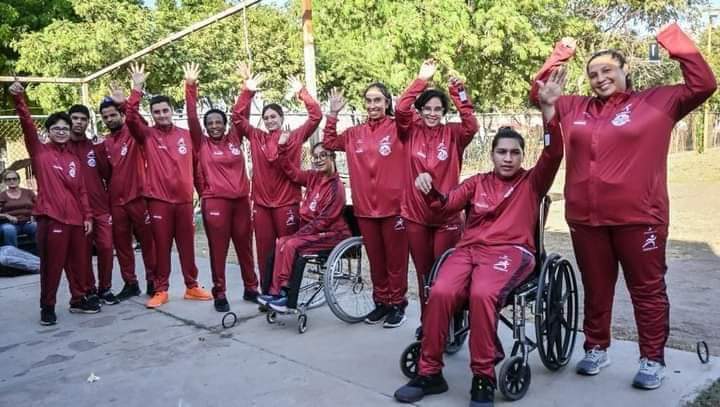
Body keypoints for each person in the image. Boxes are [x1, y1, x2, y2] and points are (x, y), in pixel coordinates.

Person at [529, 23, 716, 390]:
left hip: (640, 218)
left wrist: (671, 38)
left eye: (608, 70)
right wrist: (559, 55)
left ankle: (652, 358)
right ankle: (596, 348)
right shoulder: (575, 107)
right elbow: (540, 93)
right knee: (596, 288)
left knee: (647, 291)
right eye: (593, 74)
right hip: (586, 219)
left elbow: (704, 84)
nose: (600, 78)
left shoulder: (657, 102)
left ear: (625, 70)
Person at [394, 71, 566, 405]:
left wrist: (549, 110)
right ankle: (429, 373)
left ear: (522, 156)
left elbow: (554, 152)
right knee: (440, 291)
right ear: (492, 154)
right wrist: (430, 192)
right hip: (469, 250)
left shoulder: (532, 182)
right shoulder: (477, 183)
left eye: (514, 153)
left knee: (482, 293)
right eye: (501, 152)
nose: (507, 158)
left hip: (511, 252)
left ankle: (483, 378)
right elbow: (447, 205)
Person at [395, 59, 479, 322]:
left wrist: (458, 92)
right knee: (424, 275)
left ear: (443, 111)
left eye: (438, 109)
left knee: (444, 275)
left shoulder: (453, 134)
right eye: (427, 109)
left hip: (446, 217)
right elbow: (400, 108)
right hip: (416, 217)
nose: (432, 113)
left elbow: (472, 125)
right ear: (420, 110)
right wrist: (422, 80)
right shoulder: (409, 131)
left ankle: (451, 321)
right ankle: (427, 322)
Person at [9, 80, 98, 325]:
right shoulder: (40, 152)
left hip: (76, 221)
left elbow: (81, 191)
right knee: (52, 267)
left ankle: (78, 299)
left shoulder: (73, 158)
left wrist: (87, 217)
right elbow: (27, 124)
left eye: (65, 128)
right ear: (48, 131)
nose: (61, 132)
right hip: (52, 219)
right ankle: (47, 306)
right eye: (56, 128)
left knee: (78, 264)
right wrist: (19, 99)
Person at [124, 63, 212, 308]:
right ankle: (161, 289)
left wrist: (203, 194)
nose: (162, 115)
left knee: (187, 247)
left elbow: (196, 168)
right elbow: (130, 118)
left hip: (184, 202)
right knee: (161, 248)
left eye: (165, 110)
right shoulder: (147, 135)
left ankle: (192, 286)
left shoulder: (186, 135)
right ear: (152, 114)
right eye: (157, 112)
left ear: (172, 111)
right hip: (158, 202)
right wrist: (136, 89)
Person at [322, 84, 410, 328]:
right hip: (364, 209)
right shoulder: (354, 134)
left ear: (387, 103)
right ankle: (381, 302)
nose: (373, 105)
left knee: (395, 261)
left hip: (394, 209)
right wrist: (333, 113)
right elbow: (329, 141)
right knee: (376, 260)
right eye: (369, 100)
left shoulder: (398, 129)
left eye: (377, 100)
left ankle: (397, 304)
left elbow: (409, 117)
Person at [231, 69, 322, 293]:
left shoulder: (294, 136)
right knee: (265, 250)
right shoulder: (257, 136)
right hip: (262, 205)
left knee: (287, 248)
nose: (270, 120)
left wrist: (302, 92)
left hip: (287, 204)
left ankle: (285, 291)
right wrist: (247, 91)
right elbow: (237, 118)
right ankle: (267, 292)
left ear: (281, 118)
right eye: (267, 118)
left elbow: (316, 116)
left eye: (274, 117)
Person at [183, 62, 260, 312]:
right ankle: (220, 292)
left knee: (245, 247)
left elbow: (242, 114)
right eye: (211, 123)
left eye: (219, 122)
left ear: (225, 124)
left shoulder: (235, 137)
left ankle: (251, 288)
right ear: (206, 127)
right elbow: (192, 117)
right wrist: (190, 87)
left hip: (241, 201)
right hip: (215, 202)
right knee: (218, 249)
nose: (215, 125)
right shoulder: (201, 143)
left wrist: (247, 89)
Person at [258, 137, 351, 313]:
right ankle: (274, 292)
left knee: (291, 244)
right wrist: (281, 148)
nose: (319, 159)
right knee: (281, 242)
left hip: (333, 234)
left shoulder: (336, 187)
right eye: (316, 156)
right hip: (313, 232)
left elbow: (325, 221)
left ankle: (286, 294)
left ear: (333, 158)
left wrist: (298, 235)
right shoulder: (313, 177)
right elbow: (290, 171)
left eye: (323, 155)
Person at [101, 87, 158, 301]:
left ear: (121, 114)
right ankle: (130, 283)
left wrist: (128, 99)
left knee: (148, 242)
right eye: (105, 117)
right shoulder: (105, 142)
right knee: (122, 245)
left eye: (113, 115)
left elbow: (138, 120)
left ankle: (153, 281)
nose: (109, 119)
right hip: (116, 201)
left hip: (139, 197)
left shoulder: (134, 132)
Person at [67, 104, 118, 305]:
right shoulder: (63, 147)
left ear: (88, 122)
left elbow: (107, 174)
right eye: (75, 118)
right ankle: (89, 289)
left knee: (106, 247)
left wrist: (99, 150)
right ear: (69, 120)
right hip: (77, 211)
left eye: (83, 119)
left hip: (101, 207)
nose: (79, 122)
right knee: (83, 252)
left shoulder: (94, 145)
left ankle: (105, 287)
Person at [0, 170, 37, 247]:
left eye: (14, 178)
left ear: (19, 180)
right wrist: (7, 216)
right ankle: (12, 253)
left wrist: (34, 214)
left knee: (36, 226)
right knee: (9, 229)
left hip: (27, 223)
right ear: (5, 182)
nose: (12, 181)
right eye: (8, 179)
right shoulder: (2, 196)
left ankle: (40, 252)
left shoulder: (28, 192)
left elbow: (39, 206)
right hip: (9, 224)